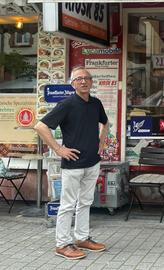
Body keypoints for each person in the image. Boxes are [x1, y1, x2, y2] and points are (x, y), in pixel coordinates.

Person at [34, 67, 109, 260]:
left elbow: (105, 123)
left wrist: (101, 142)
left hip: (92, 162)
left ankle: (82, 238)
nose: (83, 81)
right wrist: (59, 149)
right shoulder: (66, 104)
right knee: (67, 205)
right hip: (73, 163)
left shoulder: (95, 103)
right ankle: (62, 244)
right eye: (79, 79)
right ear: (72, 83)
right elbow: (40, 126)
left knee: (85, 202)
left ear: (91, 82)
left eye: (87, 78)